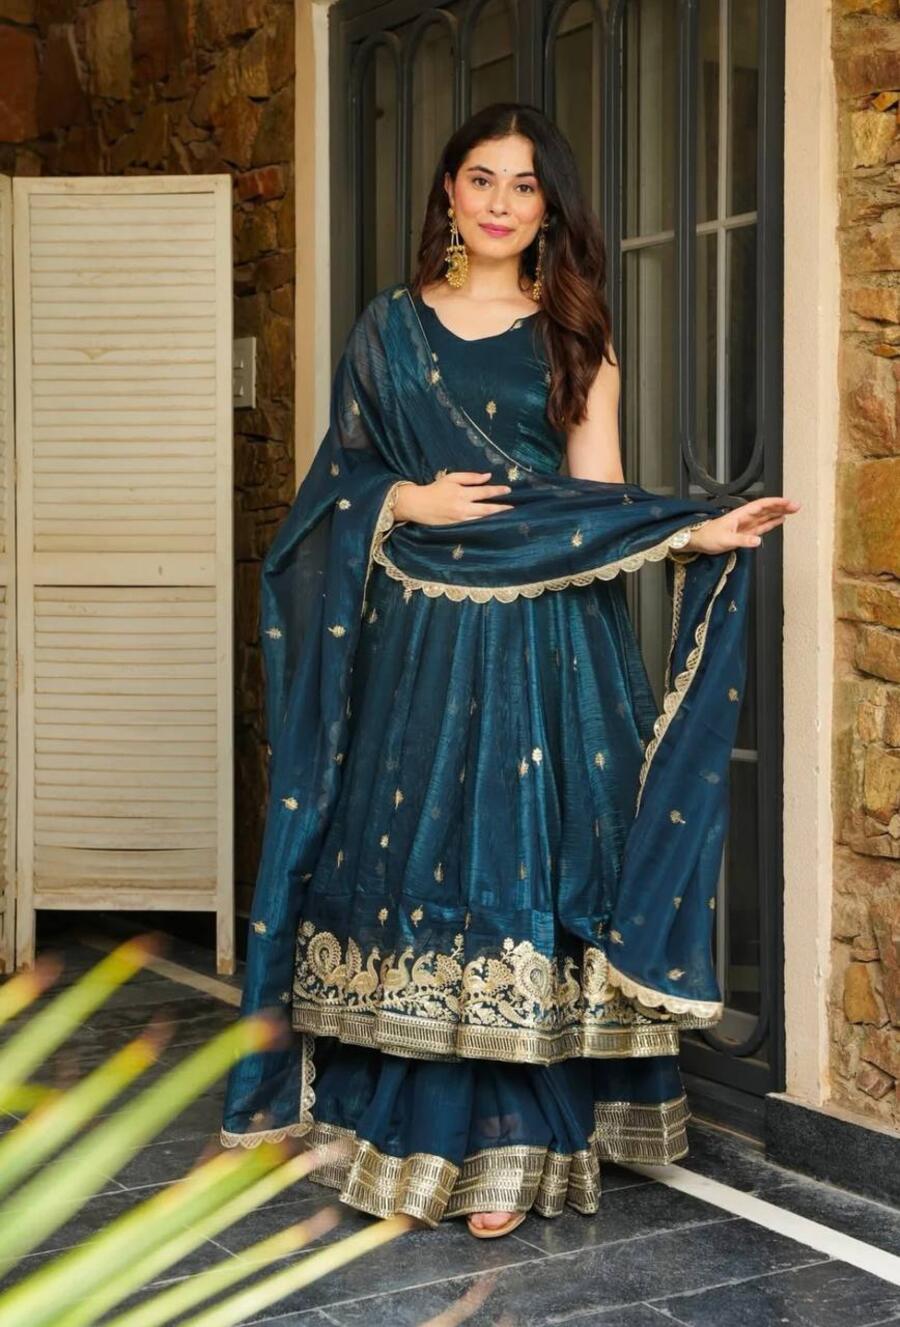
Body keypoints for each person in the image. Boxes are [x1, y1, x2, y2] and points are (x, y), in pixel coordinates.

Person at [219, 102, 799, 1238]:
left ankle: (516, 1149)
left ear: (548, 208)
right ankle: (408, 1129)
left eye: (523, 185)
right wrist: (403, 498)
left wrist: (696, 531)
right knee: (423, 867)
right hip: (421, 645)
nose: (499, 202)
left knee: (522, 870)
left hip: (548, 645)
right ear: (448, 191)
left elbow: (599, 502)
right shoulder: (387, 330)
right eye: (480, 178)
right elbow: (330, 495)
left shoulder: (575, 335)